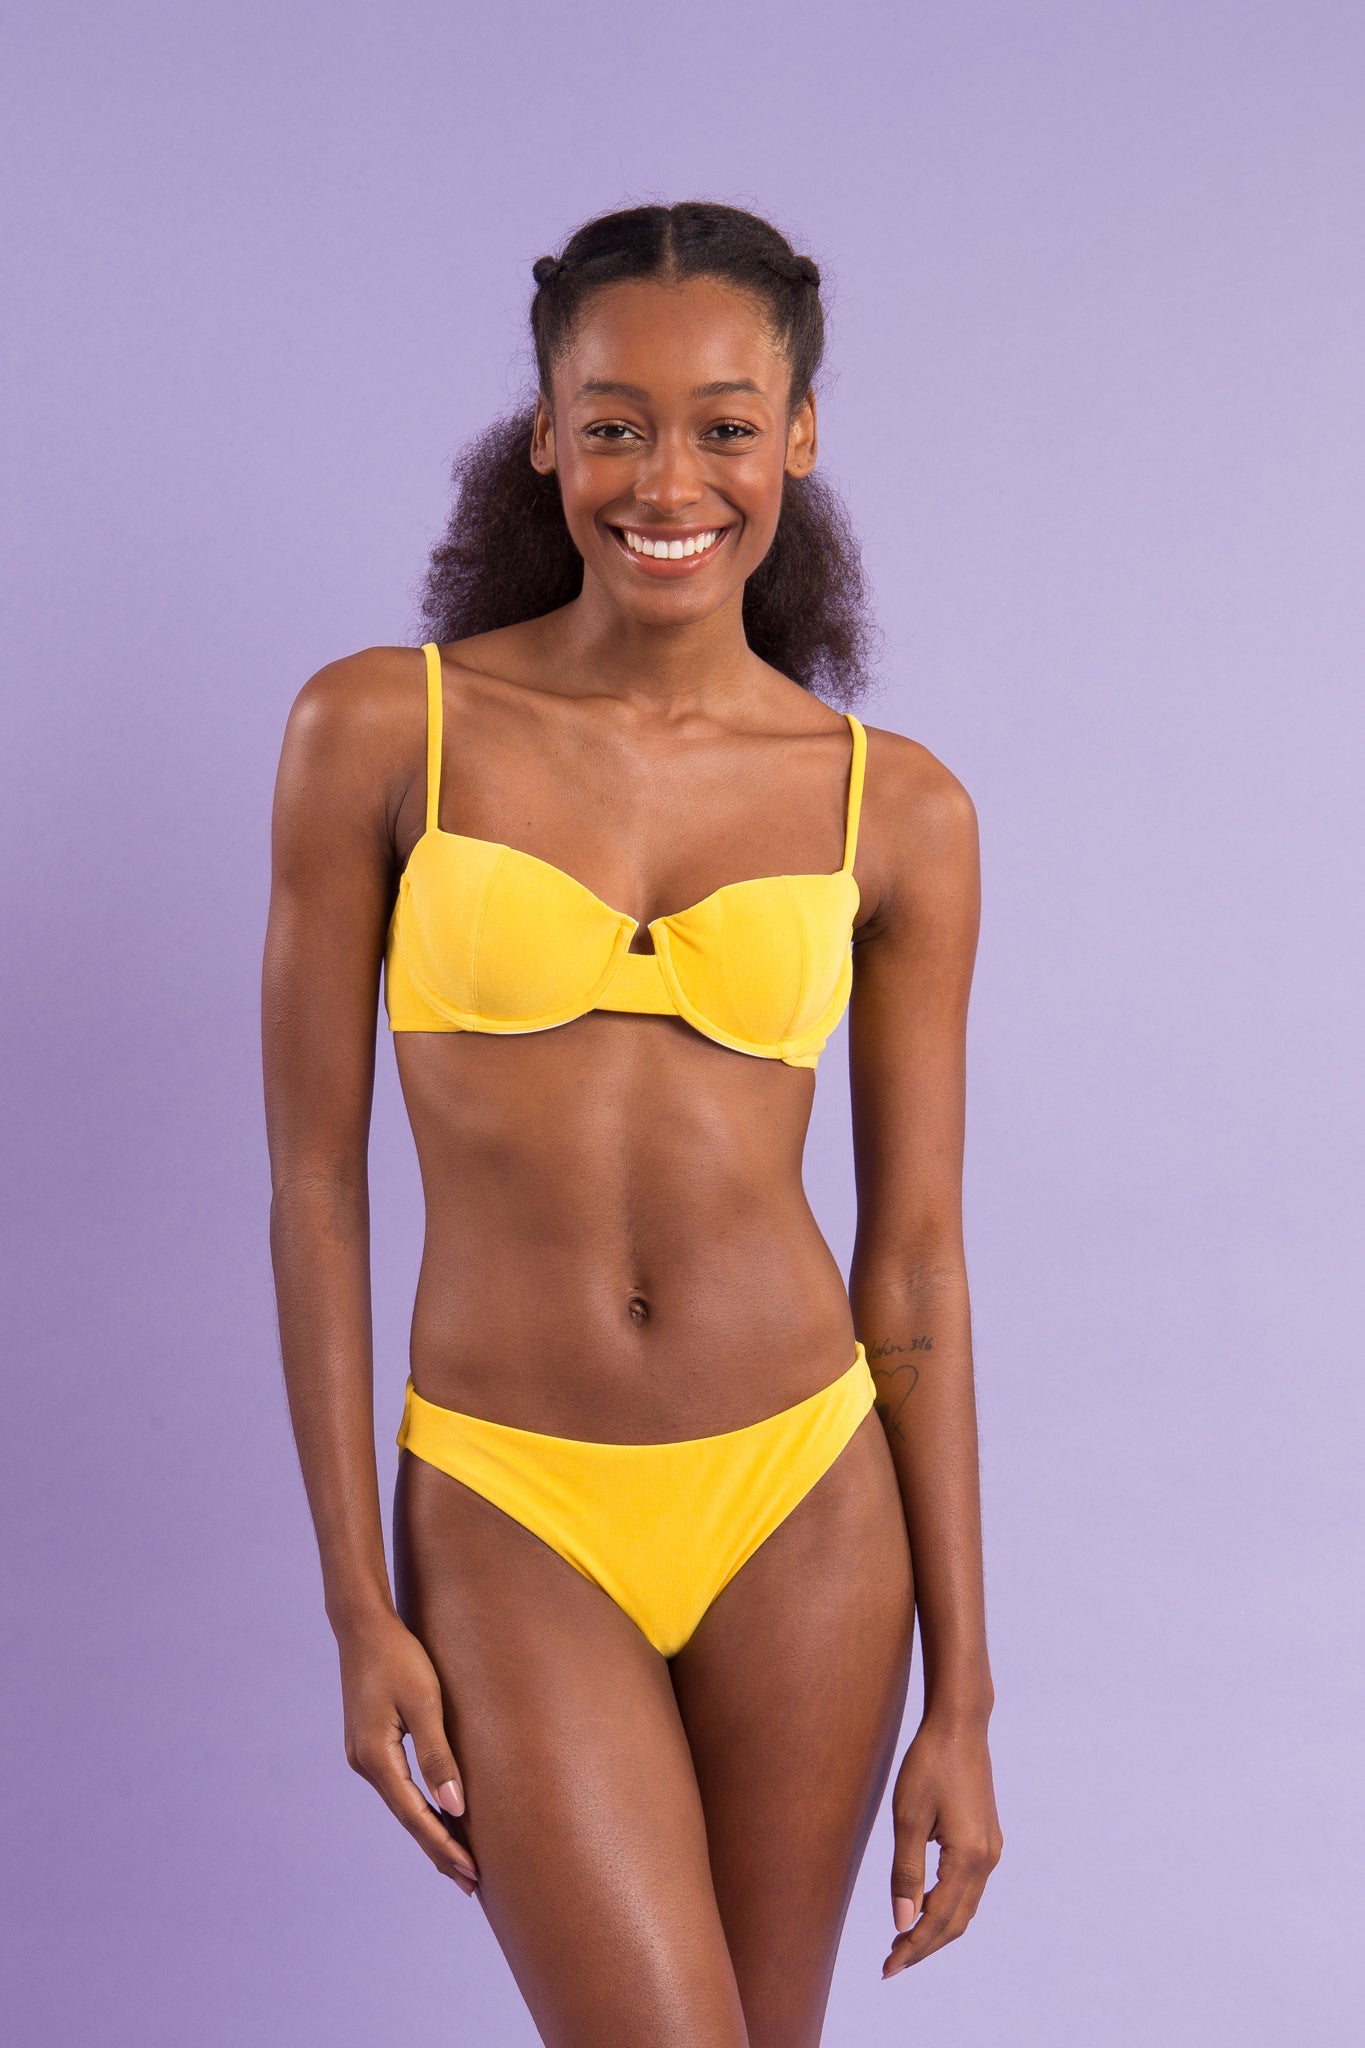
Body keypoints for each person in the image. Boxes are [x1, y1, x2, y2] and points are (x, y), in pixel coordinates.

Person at [261, 200, 1002, 2047]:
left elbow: (914, 1259)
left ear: (796, 436)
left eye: (724, 425)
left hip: (805, 1498)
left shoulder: (895, 808)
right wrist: (356, 1604)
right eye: (614, 424)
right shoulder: (381, 730)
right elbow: (316, 1189)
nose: (669, 480)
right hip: (510, 1495)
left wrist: (967, 1698)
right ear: (543, 431)